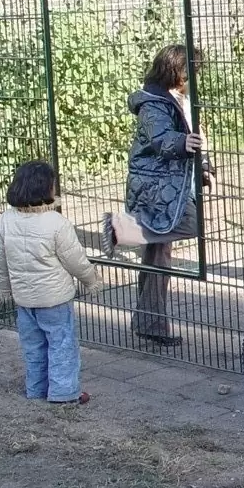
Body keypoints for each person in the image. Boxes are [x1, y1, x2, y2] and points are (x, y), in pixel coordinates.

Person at [101, 43, 214, 347]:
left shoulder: (178, 99)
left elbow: (194, 137)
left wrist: (202, 164)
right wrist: (182, 143)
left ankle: (151, 324)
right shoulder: (153, 103)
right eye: (192, 72)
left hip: (173, 184)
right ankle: (120, 228)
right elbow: (160, 138)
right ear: (177, 72)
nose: (196, 78)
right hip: (157, 187)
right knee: (190, 224)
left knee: (158, 258)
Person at [0, 160, 101, 405]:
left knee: (33, 347)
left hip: (24, 300)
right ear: (46, 188)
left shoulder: (6, 220)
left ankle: (36, 389)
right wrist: (91, 280)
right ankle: (64, 393)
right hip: (54, 300)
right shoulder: (56, 223)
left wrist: (2, 288)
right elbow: (75, 260)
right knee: (62, 345)